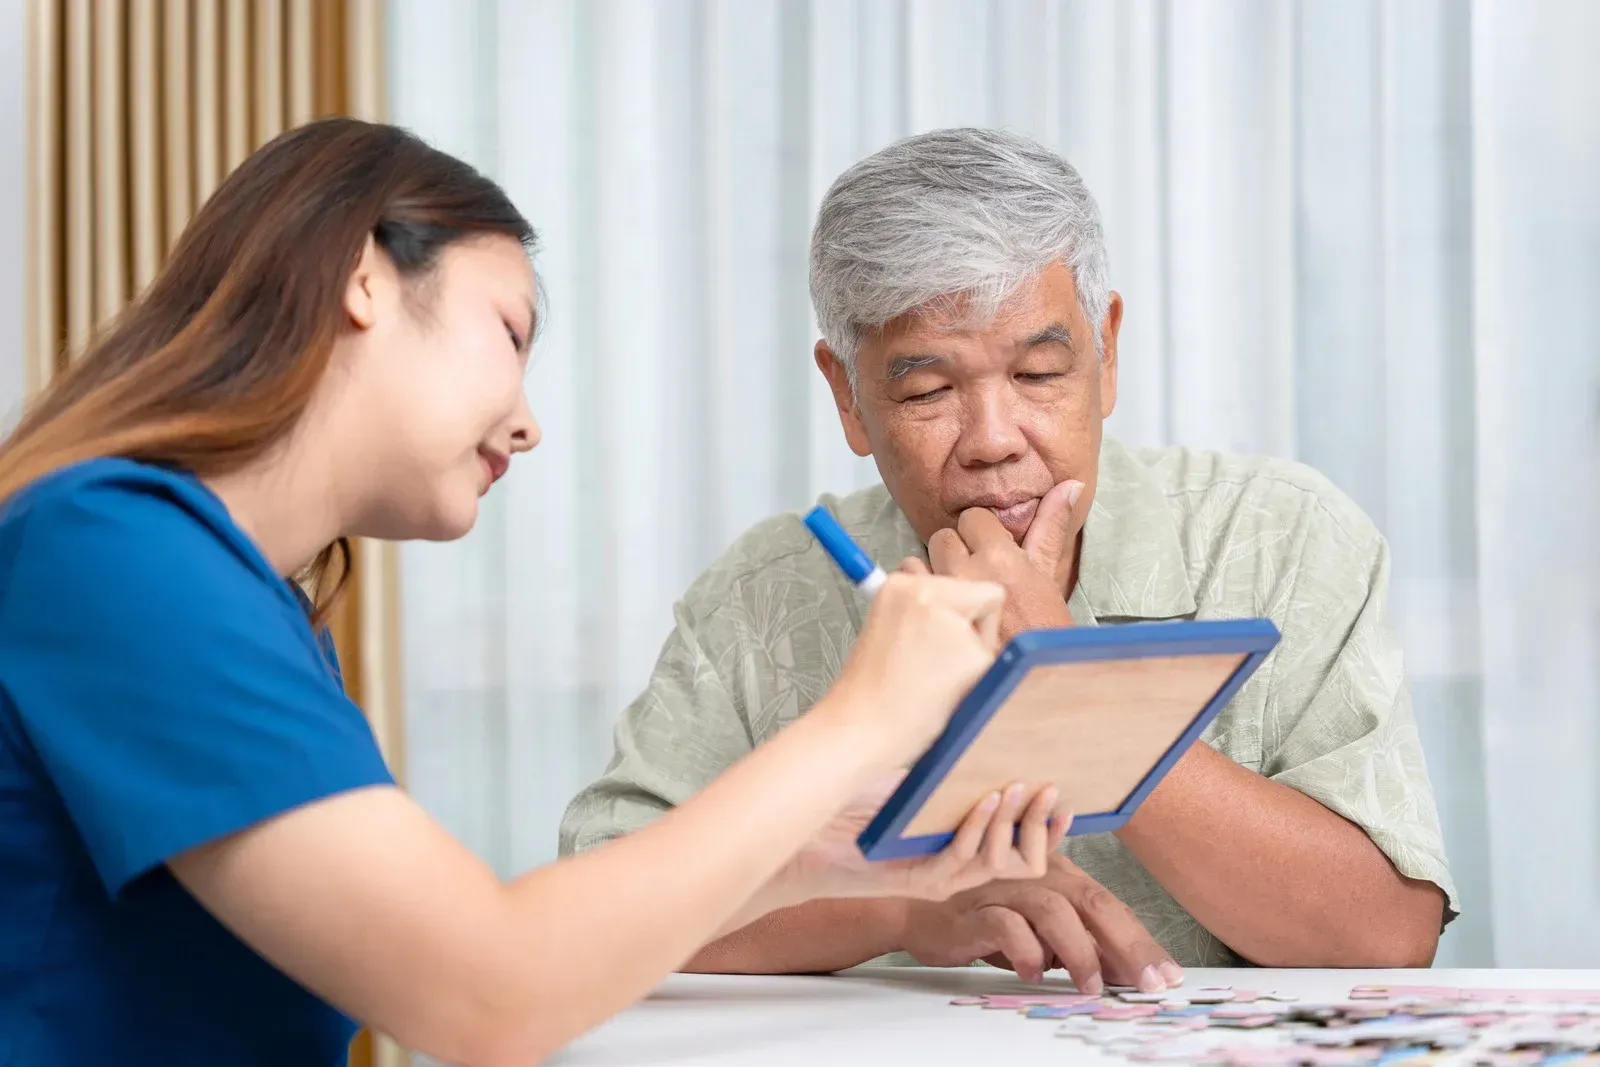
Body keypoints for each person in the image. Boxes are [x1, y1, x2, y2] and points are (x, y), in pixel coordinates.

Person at [0, 118, 1066, 1067]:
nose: (527, 421)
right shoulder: (112, 553)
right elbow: (486, 993)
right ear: (361, 277)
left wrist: (820, 863)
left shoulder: (229, 589)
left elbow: (484, 947)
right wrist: (862, 712)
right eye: (509, 334)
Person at [561, 128, 1458, 989]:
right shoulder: (765, 594)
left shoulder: (1282, 535)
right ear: (847, 395)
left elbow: (1384, 933)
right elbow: (592, 916)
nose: (994, 441)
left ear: (1106, 353)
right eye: (929, 389)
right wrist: (901, 901)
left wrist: (1068, 680)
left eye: (1037, 376)